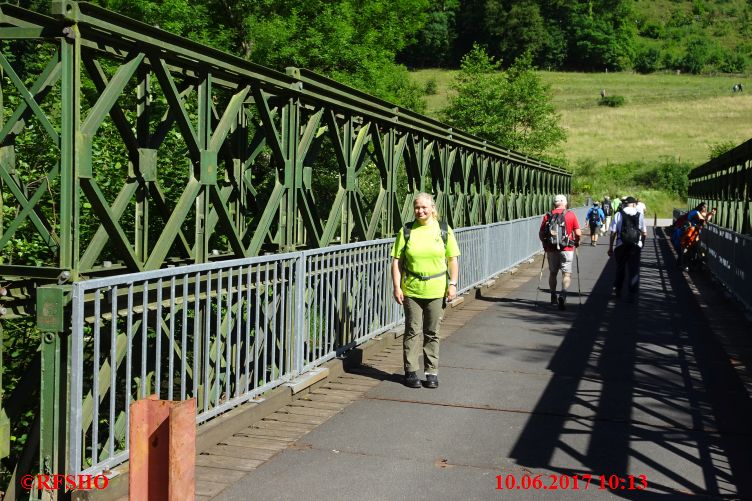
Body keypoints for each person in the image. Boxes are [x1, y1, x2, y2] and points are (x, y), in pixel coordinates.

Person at [391, 193, 460, 389]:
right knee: (412, 330)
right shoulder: (406, 231)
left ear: (432, 208)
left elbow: (452, 259)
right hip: (412, 288)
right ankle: (411, 371)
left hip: (437, 289)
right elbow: (396, 262)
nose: (420, 211)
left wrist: (453, 284)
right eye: (417, 208)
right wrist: (397, 286)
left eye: (424, 207)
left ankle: (431, 372)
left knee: (432, 332)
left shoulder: (444, 230)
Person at [539, 194, 582, 310]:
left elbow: (541, 233)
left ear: (554, 203)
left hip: (551, 249)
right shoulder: (570, 215)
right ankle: (563, 294)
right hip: (567, 248)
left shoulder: (548, 216)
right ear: (565, 203)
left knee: (553, 273)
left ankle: (553, 294)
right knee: (566, 273)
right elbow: (578, 233)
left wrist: (544, 244)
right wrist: (576, 242)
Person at [608, 196, 647, 301]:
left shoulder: (618, 214)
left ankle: (618, 289)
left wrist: (611, 247)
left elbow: (613, 232)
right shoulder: (640, 215)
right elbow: (644, 233)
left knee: (620, 267)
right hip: (635, 246)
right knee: (634, 269)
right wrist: (641, 244)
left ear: (624, 204)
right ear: (634, 204)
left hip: (621, 245)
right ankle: (632, 293)